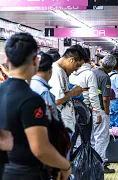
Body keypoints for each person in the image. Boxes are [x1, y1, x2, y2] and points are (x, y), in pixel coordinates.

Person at [0, 33, 72, 180]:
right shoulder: (31, 99)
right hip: (26, 173)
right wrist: (65, 165)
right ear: (35, 61)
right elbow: (40, 149)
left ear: (6, 61)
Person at [48, 45, 87, 150]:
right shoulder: (55, 72)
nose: (75, 70)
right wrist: (73, 92)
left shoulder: (62, 71)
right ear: (71, 60)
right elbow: (56, 100)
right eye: (77, 66)